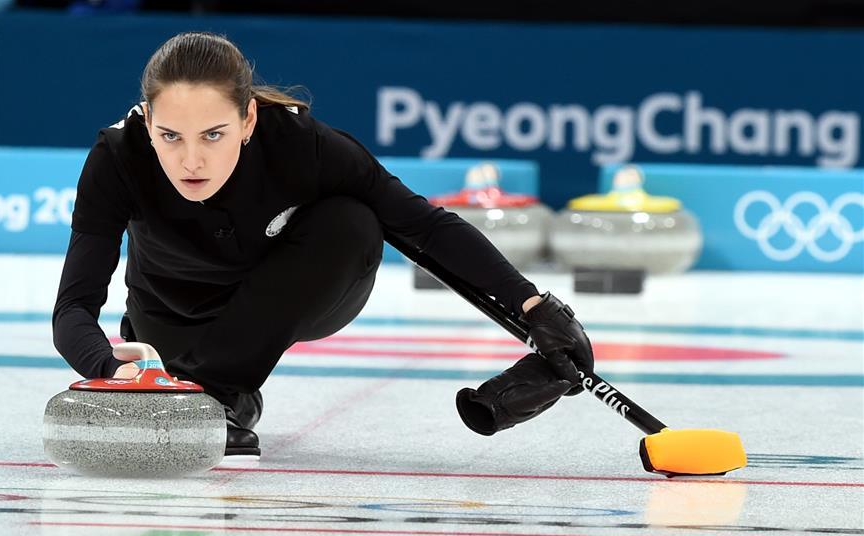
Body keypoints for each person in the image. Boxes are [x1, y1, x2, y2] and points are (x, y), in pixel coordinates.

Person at [52, 31, 594, 461]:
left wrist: (534, 306)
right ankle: (221, 392)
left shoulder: (300, 143)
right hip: (169, 321)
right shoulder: (118, 157)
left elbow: (425, 227)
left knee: (354, 220)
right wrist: (111, 367)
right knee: (187, 364)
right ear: (148, 122)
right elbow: (73, 307)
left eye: (213, 134)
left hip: (292, 298)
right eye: (170, 136)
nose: (191, 160)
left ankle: (215, 391)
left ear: (248, 119)